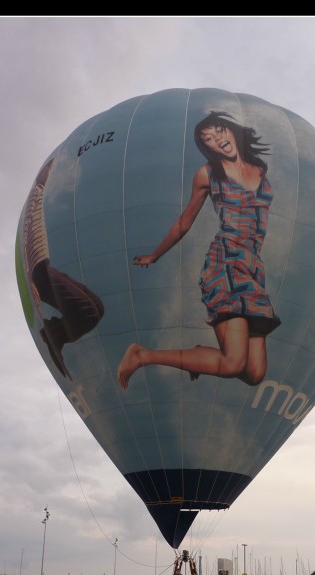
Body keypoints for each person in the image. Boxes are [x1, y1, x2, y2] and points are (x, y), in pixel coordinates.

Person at [117, 111, 280, 390]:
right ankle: (143, 355)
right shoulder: (208, 173)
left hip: (253, 267)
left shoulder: (260, 168)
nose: (217, 138)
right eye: (208, 138)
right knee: (231, 363)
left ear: (231, 131)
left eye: (219, 131)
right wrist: (155, 255)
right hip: (226, 264)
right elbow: (185, 221)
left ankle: (197, 356)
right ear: (208, 147)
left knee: (254, 374)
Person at [22, 158, 104, 381]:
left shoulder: (38, 198)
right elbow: (26, 238)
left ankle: (56, 331)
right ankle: (54, 335)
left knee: (97, 306)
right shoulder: (34, 202)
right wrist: (30, 278)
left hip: (44, 266)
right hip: (38, 271)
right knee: (88, 311)